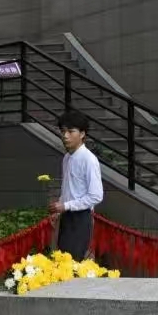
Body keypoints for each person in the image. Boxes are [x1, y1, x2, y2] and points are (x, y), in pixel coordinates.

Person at [51, 110, 104, 258]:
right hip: (66, 216)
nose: (65, 136)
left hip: (81, 217)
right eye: (63, 131)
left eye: (70, 131)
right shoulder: (67, 158)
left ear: (82, 134)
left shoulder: (89, 159)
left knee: (73, 262)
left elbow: (96, 196)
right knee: (62, 259)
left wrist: (66, 205)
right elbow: (67, 188)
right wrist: (59, 209)